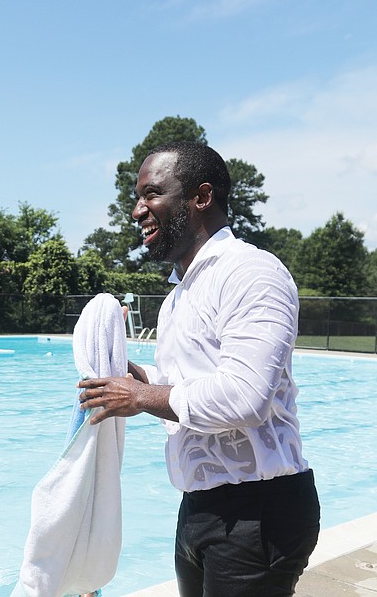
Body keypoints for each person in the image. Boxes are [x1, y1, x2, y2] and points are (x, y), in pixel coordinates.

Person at [78, 141, 320, 596]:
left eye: (152, 194)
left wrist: (140, 397)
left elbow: (245, 396)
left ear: (200, 198)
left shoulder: (250, 272)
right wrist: (136, 381)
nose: (137, 210)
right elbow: (190, 383)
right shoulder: (180, 295)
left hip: (257, 513)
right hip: (202, 506)